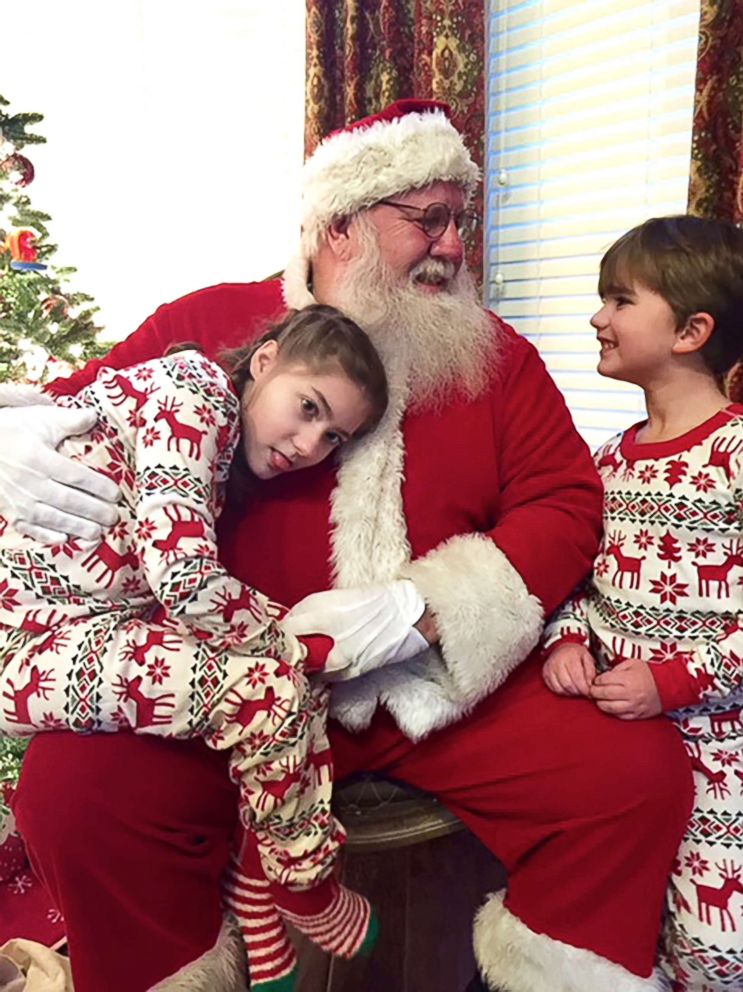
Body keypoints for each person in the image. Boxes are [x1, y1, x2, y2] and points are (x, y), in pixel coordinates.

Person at [0, 100, 693, 992]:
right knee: (73, 792)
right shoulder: (210, 321)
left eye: (459, 221)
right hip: (224, 682)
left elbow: (563, 501)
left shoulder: (497, 357)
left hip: (429, 689)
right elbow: (75, 409)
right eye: (424, 219)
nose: (450, 246)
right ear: (339, 225)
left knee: (629, 775)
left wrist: (424, 608)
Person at [0, 305, 389, 991]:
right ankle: (299, 885)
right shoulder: (194, 394)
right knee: (268, 687)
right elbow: (181, 576)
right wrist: (293, 636)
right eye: (306, 407)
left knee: (277, 687)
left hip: (62, 629)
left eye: (332, 436)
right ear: (262, 361)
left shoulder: (203, 422)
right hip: (27, 646)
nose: (307, 444)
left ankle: (255, 892)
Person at [541, 216, 743, 992]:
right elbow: (574, 580)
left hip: (719, 759)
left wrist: (675, 681)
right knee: (618, 942)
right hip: (617, 756)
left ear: (691, 330)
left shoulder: (732, 455)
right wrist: (564, 639)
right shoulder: (604, 460)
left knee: (713, 955)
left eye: (619, 301)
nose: (597, 317)